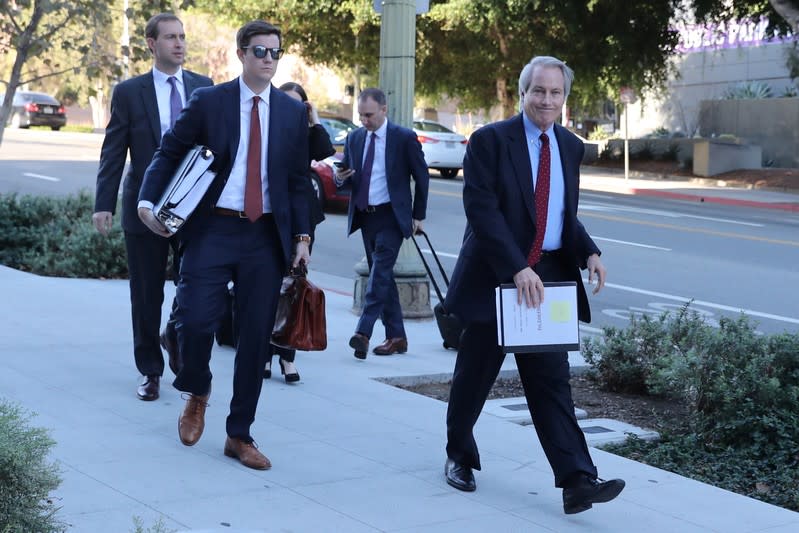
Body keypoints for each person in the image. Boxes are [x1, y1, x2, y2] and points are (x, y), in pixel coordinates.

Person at [442, 56, 625, 514]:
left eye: (556, 92)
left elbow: (560, 213)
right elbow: (482, 211)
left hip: (548, 281)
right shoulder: (489, 141)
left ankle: (578, 481)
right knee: (474, 377)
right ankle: (458, 455)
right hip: (497, 278)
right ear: (523, 93)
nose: (547, 100)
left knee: (551, 382)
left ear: (565, 98)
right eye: (538, 91)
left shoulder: (569, 145)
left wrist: (588, 250)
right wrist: (515, 268)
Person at [137, 20, 311, 470]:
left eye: (275, 52)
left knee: (255, 339)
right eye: (259, 52)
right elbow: (169, 151)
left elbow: (297, 181)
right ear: (241, 54)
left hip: (264, 236)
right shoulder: (210, 102)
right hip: (212, 229)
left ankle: (240, 434)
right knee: (193, 322)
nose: (268, 60)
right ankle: (197, 388)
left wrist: (303, 236)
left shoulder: (291, 113)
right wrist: (147, 202)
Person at [92, 12, 213, 402]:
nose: (179, 44)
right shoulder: (130, 92)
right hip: (143, 207)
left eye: (182, 37)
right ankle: (150, 370)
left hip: (191, 209)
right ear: (151, 43)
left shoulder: (203, 87)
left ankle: (174, 336)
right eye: (170, 37)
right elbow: (113, 151)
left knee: (194, 287)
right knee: (146, 295)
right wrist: (103, 203)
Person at [335, 88, 429, 359]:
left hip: (392, 216)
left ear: (384, 110)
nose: (365, 120)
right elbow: (348, 179)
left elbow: (422, 178)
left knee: (379, 274)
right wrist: (341, 178)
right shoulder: (354, 138)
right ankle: (397, 336)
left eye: (370, 115)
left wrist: (418, 216)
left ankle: (363, 332)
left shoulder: (403, 138)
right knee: (382, 275)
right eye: (361, 115)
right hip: (366, 215)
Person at [260, 82, 336, 383]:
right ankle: (265, 353)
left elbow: (325, 151)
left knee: (295, 285)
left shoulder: (306, 131)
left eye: (298, 104)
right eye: (286, 102)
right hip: (272, 212)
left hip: (302, 214)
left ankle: (287, 357)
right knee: (269, 286)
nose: (291, 109)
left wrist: (313, 117)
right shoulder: (270, 127)